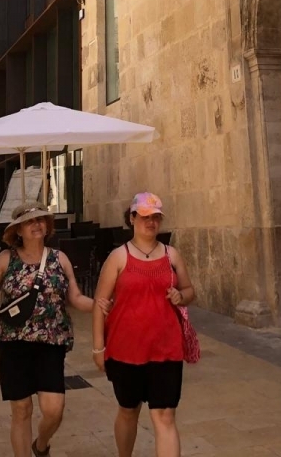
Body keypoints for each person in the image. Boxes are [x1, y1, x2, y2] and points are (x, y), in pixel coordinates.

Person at [0, 203, 95, 457]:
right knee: (21, 409)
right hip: (13, 342)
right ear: (18, 230)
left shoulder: (59, 258)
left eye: (41, 220)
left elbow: (75, 297)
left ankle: (41, 445)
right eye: (30, 221)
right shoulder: (6, 259)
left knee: (54, 409)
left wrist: (100, 305)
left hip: (51, 342)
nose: (37, 224)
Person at [92, 193, 195, 457]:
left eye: (156, 217)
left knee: (165, 414)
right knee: (129, 410)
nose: (151, 222)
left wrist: (180, 296)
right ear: (132, 218)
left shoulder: (172, 255)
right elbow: (100, 303)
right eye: (145, 216)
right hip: (126, 349)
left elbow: (189, 290)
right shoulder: (118, 257)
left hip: (166, 347)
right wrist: (98, 348)